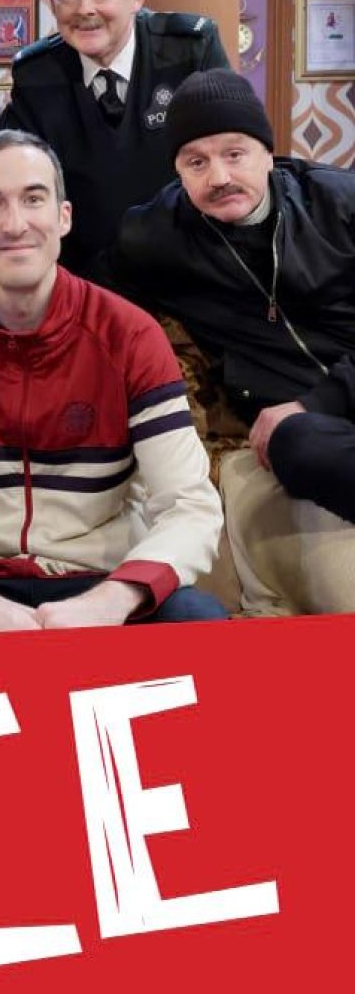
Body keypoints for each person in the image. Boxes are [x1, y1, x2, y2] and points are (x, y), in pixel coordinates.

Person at [0, 130, 226, 635]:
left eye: (33, 199)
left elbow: (189, 504)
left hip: (103, 579)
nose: (16, 224)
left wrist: (115, 598)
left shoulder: (130, 335)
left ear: (64, 217)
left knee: (200, 622)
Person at [110, 70, 355, 610]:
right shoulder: (153, 237)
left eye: (235, 154)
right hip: (312, 439)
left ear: (268, 154)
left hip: (333, 399)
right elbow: (92, 310)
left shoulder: (338, 204)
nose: (219, 176)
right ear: (176, 169)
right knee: (296, 443)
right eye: (196, 162)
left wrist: (321, 399)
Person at [4, 0, 230, 278]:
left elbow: (228, 159)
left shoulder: (189, 49)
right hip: (81, 278)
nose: (84, 9)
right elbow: (18, 175)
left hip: (186, 272)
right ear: (51, 1)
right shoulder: (36, 73)